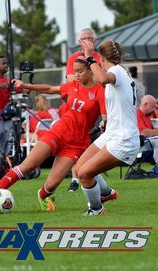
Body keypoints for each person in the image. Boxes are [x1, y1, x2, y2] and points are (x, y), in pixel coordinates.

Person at [0, 55, 115, 212]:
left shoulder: (100, 92)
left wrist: (105, 124)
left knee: (51, 185)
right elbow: (50, 89)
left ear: (91, 71)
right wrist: (26, 85)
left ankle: (43, 196)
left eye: (80, 71)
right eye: (74, 71)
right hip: (58, 132)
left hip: (76, 145)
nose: (76, 75)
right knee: (28, 166)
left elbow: (106, 117)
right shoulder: (72, 86)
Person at [74, 39, 140, 216]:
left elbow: (102, 79)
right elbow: (99, 79)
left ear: (101, 57)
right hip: (113, 133)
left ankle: (96, 210)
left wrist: (89, 57)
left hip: (124, 139)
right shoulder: (119, 71)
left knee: (85, 174)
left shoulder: (115, 71)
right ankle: (106, 193)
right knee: (78, 168)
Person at [66, 28, 101, 192]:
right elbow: (70, 79)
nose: (87, 41)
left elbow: (103, 78)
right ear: (79, 42)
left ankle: (84, 177)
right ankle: (75, 177)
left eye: (90, 38)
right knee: (79, 143)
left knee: (91, 144)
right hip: (78, 105)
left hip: (98, 104)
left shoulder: (99, 57)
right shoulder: (73, 58)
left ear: (95, 41)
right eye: (84, 38)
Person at [136, 95, 158, 175]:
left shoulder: (148, 115)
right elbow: (144, 132)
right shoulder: (137, 114)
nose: (154, 109)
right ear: (145, 104)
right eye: (152, 107)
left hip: (148, 143)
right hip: (139, 146)